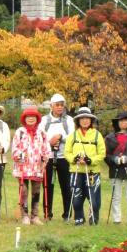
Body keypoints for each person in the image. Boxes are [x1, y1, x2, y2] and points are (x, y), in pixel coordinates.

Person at [65, 107, 105, 226]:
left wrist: (90, 160)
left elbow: (102, 154)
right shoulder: (73, 135)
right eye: (82, 118)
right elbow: (67, 152)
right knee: (76, 198)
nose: (85, 121)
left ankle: (94, 219)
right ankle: (79, 219)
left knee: (94, 198)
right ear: (78, 121)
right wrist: (74, 158)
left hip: (92, 172)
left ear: (91, 120)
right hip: (76, 171)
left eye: (87, 118)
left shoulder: (97, 135)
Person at [11, 106, 52, 225]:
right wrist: (19, 155)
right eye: (28, 117)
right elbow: (15, 148)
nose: (30, 119)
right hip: (22, 166)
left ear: (37, 119)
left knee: (36, 191)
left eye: (33, 117)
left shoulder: (42, 133)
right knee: (23, 191)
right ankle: (24, 215)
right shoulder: (20, 132)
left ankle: (35, 216)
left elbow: (46, 148)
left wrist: (45, 156)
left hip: (37, 167)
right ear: (24, 118)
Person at [39, 93, 74, 222]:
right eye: (57, 105)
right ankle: (47, 213)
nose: (59, 107)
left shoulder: (69, 120)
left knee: (66, 186)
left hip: (64, 157)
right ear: (51, 106)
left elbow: (72, 136)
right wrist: (50, 141)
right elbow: (40, 136)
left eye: (61, 105)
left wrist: (60, 137)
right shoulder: (44, 120)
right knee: (47, 186)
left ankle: (67, 214)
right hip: (48, 157)